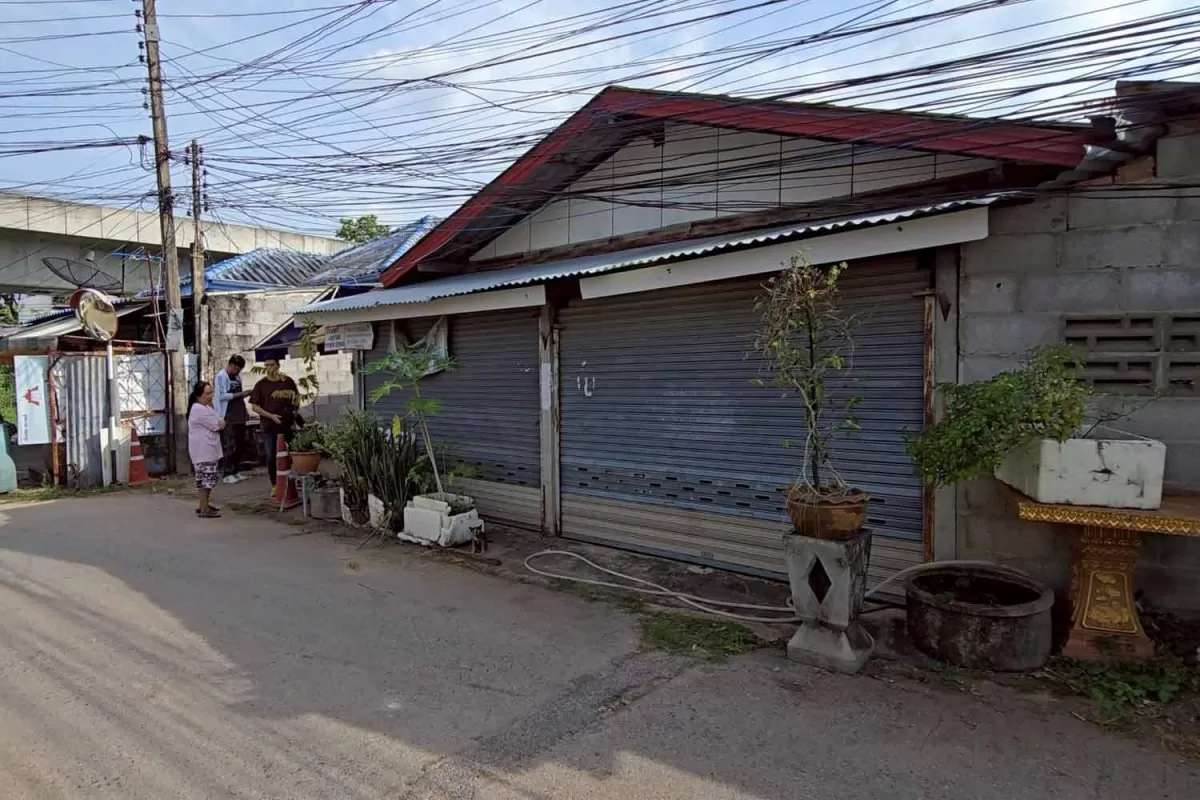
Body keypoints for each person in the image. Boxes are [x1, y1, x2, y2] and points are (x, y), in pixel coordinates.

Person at [248, 357, 300, 490]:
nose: (269, 368)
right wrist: (271, 416)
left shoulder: (287, 382)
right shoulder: (261, 385)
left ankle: (292, 481)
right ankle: (275, 485)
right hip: (269, 427)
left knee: (293, 453)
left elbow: (296, 399)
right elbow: (255, 407)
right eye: (266, 365)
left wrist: (294, 412)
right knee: (271, 456)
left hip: (287, 425)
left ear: (278, 366)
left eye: (271, 365)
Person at [187, 380, 225, 518]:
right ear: (199, 395)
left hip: (209, 450)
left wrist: (220, 421)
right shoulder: (198, 409)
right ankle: (204, 508)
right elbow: (218, 425)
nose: (211, 396)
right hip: (203, 451)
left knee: (209, 479)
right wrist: (220, 422)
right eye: (207, 394)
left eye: (211, 393)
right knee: (205, 481)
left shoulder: (206, 407)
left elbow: (219, 420)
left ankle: (204, 505)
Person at [214, 354, 250, 484]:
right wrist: (241, 394)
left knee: (240, 443)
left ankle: (235, 470)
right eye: (236, 368)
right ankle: (227, 473)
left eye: (239, 369)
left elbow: (239, 397)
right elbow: (221, 396)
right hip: (228, 415)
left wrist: (245, 410)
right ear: (231, 365)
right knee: (230, 444)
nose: (237, 371)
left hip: (239, 414)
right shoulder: (221, 376)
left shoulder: (237, 377)